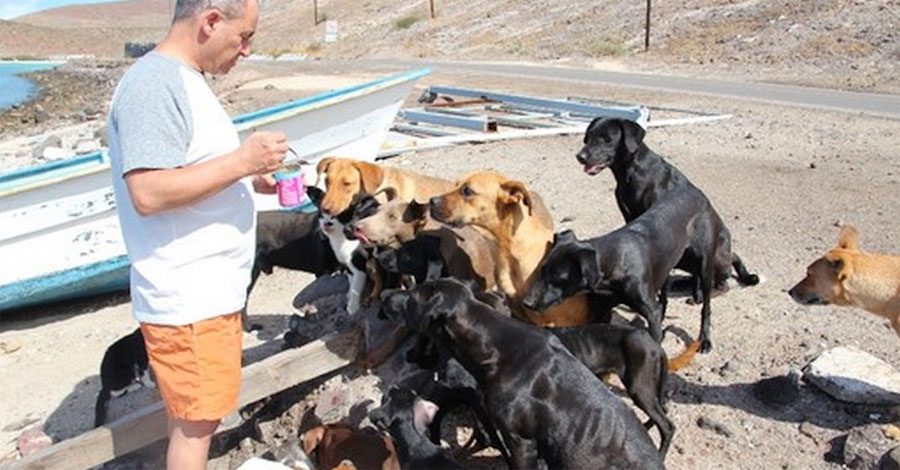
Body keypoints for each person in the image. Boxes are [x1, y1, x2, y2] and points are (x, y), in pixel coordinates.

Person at [107, 0, 286, 468]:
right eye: (244, 36)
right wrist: (241, 162)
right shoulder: (155, 84)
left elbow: (187, 168)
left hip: (206, 295)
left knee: (192, 417)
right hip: (188, 298)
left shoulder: (184, 79)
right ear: (210, 21)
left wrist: (246, 178)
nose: (246, 50)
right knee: (196, 425)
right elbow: (147, 191)